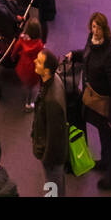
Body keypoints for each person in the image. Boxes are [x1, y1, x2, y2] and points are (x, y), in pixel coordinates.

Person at [67, 12, 111, 190]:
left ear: (105, 29)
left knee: (108, 137)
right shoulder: (91, 40)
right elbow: (86, 54)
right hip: (92, 98)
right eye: (93, 26)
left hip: (104, 103)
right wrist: (74, 55)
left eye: (98, 27)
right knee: (101, 133)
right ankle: (105, 161)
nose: (95, 30)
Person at [31, 49, 69, 196]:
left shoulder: (52, 100)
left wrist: (46, 159)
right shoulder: (54, 80)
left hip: (52, 159)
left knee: (52, 189)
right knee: (57, 186)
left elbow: (54, 137)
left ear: (46, 70)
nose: (35, 61)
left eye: (39, 61)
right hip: (54, 155)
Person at [9, 16, 43, 110]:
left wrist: (13, 57)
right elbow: (41, 55)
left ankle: (25, 85)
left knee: (26, 82)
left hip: (23, 66)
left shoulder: (22, 39)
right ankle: (28, 104)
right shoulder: (39, 44)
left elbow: (16, 49)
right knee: (31, 88)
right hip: (33, 70)